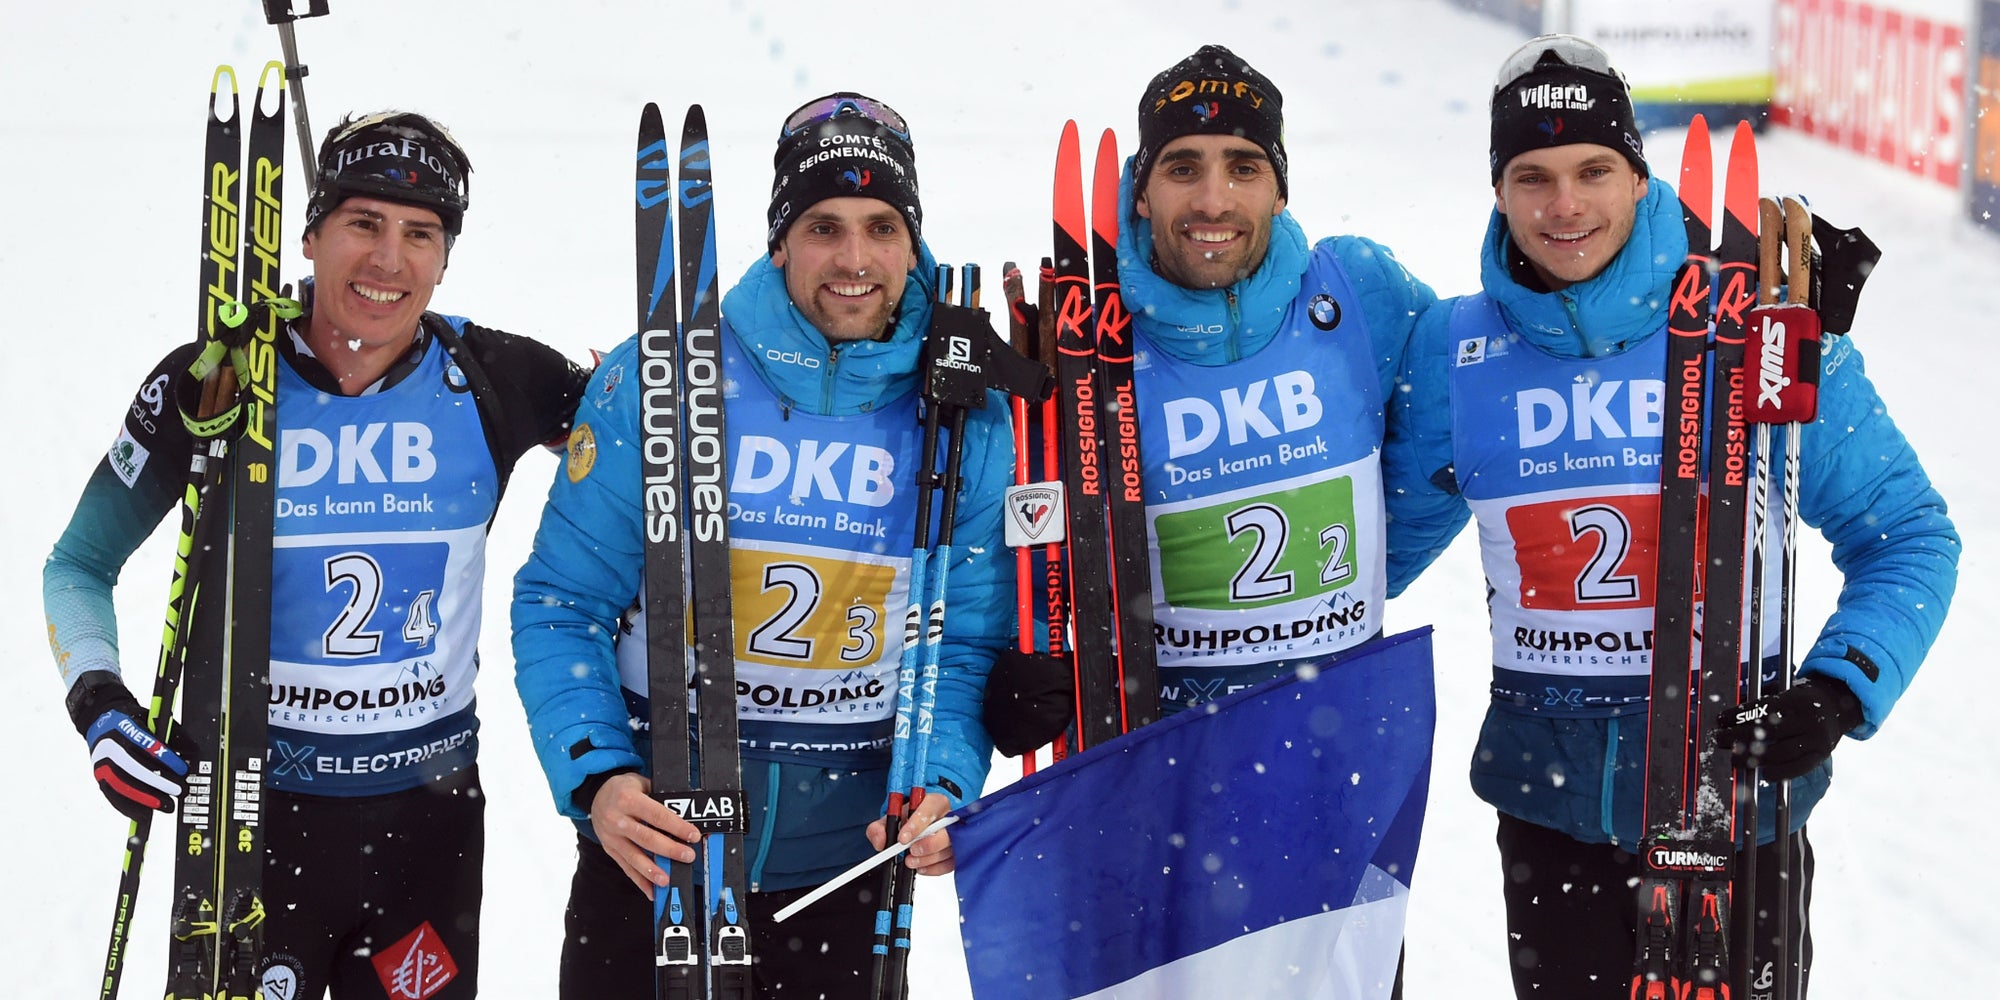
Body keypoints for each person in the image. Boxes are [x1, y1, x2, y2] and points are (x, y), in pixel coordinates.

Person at [1384, 35, 1960, 996]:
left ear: (1637, 173)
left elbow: (1906, 534)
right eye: (1532, 175)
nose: (1564, 206)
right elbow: (1368, 558)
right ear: (1497, 188)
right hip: (1551, 814)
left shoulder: (1754, 326)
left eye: (1593, 170)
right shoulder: (1454, 349)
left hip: (1737, 799)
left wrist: (1839, 690)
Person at [44, 110, 591, 999]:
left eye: (421, 234)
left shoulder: (497, 377)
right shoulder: (213, 377)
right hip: (251, 814)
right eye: (363, 224)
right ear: (310, 234)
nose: (389, 261)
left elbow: (637, 451)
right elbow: (77, 564)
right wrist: (102, 706)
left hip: (429, 826)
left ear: (446, 257)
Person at [510, 92, 1014, 998]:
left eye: (880, 227)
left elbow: (964, 640)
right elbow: (560, 602)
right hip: (655, 861)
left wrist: (942, 778)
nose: (853, 260)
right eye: (823, 226)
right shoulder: (660, 374)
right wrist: (599, 781)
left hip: (847, 874)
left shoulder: (963, 411)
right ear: (780, 240)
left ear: (912, 242)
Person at [1113, 45, 1439, 712]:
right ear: (1143, 193)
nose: (1213, 200)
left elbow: (1456, 419)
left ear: (1280, 189)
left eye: (1244, 168)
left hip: (1340, 724)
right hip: (1169, 743)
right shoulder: (1097, 340)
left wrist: (1376, 569)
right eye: (1182, 168)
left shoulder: (1360, 289)